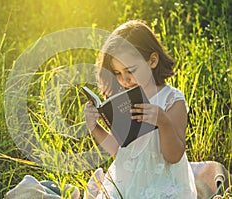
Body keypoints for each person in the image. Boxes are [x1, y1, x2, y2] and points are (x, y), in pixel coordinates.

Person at [84, 20, 198, 198]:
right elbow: (117, 148)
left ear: (152, 61)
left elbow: (174, 156)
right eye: (118, 73)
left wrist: (163, 122)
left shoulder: (171, 100)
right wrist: (94, 127)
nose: (124, 80)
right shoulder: (124, 100)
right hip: (128, 181)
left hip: (162, 183)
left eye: (130, 71)